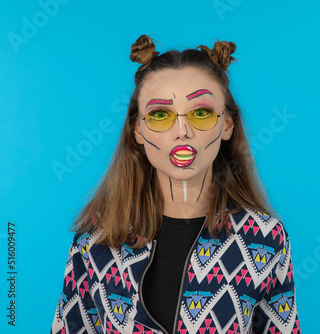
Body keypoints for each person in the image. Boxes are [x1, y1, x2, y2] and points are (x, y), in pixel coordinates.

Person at [51, 35, 300, 334]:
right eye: (159, 115)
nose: (182, 131)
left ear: (228, 125)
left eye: (202, 113)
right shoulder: (97, 237)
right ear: (138, 130)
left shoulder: (264, 238)